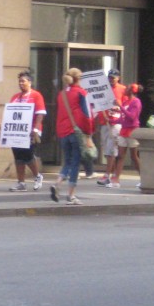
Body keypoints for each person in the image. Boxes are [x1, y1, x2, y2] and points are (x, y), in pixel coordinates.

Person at [52, 67, 93, 206]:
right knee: (75, 163)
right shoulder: (81, 93)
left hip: (63, 131)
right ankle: (71, 195)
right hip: (76, 131)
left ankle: (58, 182)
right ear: (78, 79)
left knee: (67, 162)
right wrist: (89, 134)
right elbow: (87, 115)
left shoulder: (61, 94)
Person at [8, 71, 46, 192]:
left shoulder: (36, 95)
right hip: (17, 131)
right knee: (18, 156)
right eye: (19, 81)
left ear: (30, 82)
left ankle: (37, 176)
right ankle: (21, 182)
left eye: (23, 81)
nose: (21, 83)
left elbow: (40, 113)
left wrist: (35, 128)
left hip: (30, 131)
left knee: (28, 155)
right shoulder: (15, 97)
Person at [109, 83, 142, 188]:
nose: (125, 89)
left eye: (127, 88)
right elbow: (124, 116)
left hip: (132, 131)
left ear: (132, 91)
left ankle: (144, 177)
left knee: (134, 156)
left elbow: (132, 117)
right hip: (124, 130)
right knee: (120, 156)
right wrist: (112, 120)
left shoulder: (136, 102)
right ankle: (116, 180)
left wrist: (120, 107)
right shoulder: (126, 101)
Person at [96, 69, 125, 188]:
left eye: (113, 77)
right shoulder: (104, 89)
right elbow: (99, 103)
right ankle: (110, 174)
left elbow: (125, 106)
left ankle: (108, 175)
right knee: (107, 150)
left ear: (118, 78)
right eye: (110, 77)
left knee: (112, 149)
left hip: (115, 122)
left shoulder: (122, 89)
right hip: (105, 122)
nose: (111, 79)